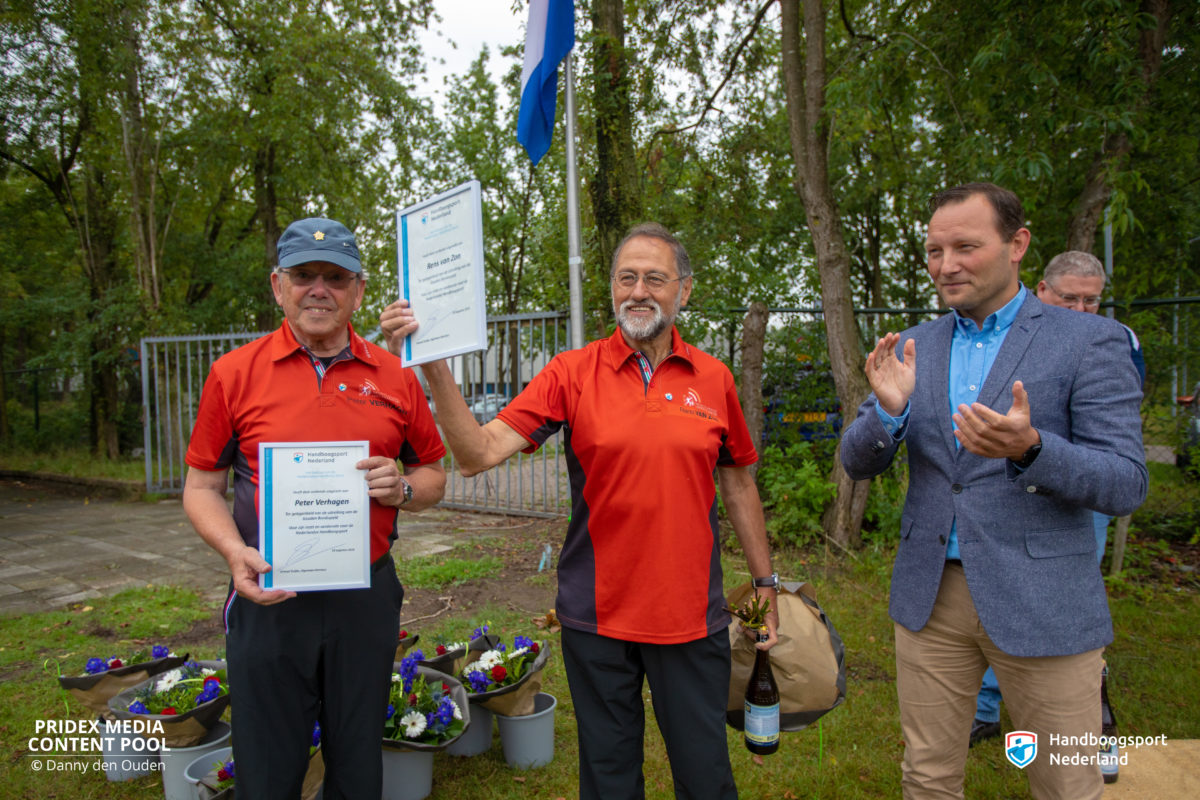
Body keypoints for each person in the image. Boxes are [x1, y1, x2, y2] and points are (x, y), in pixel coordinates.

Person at [381, 222, 779, 800]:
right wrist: (435, 363)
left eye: (654, 278)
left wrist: (764, 580)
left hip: (691, 615)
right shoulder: (572, 372)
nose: (638, 291)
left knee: (706, 777)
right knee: (609, 779)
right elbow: (476, 454)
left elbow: (739, 483)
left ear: (684, 291)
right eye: (626, 278)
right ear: (612, 288)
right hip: (598, 616)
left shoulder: (712, 378)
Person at [840, 183, 1147, 799]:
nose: (946, 264)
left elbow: (1125, 482)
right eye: (933, 250)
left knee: (1066, 782)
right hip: (932, 598)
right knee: (926, 777)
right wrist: (889, 414)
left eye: (965, 247)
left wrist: (1032, 449)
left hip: (1044, 597)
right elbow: (856, 460)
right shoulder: (913, 345)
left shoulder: (1088, 341)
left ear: (1017, 245)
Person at [182, 217, 447, 799]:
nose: (319, 289)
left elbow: (433, 474)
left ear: (358, 290)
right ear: (279, 285)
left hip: (365, 597)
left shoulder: (395, 377)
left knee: (357, 758)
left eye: (336, 277)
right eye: (304, 275)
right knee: (268, 761)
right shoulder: (234, 373)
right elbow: (201, 486)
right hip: (270, 595)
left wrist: (401, 488)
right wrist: (233, 552)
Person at [971, 249, 1146, 744]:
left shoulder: (1114, 340)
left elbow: (1117, 433)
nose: (1081, 309)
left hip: (1084, 491)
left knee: (1064, 593)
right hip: (1004, 497)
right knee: (987, 595)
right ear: (1043, 290)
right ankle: (985, 706)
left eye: (1092, 300)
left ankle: (1079, 703)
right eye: (1070, 297)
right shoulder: (1005, 334)